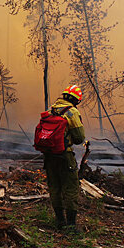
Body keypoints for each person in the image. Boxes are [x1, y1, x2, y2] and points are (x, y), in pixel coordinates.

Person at [44, 85, 85, 232]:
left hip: (48, 156)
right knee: (71, 188)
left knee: (54, 187)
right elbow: (79, 138)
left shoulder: (50, 111)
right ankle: (71, 225)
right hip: (65, 156)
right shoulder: (71, 112)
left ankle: (60, 221)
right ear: (75, 100)